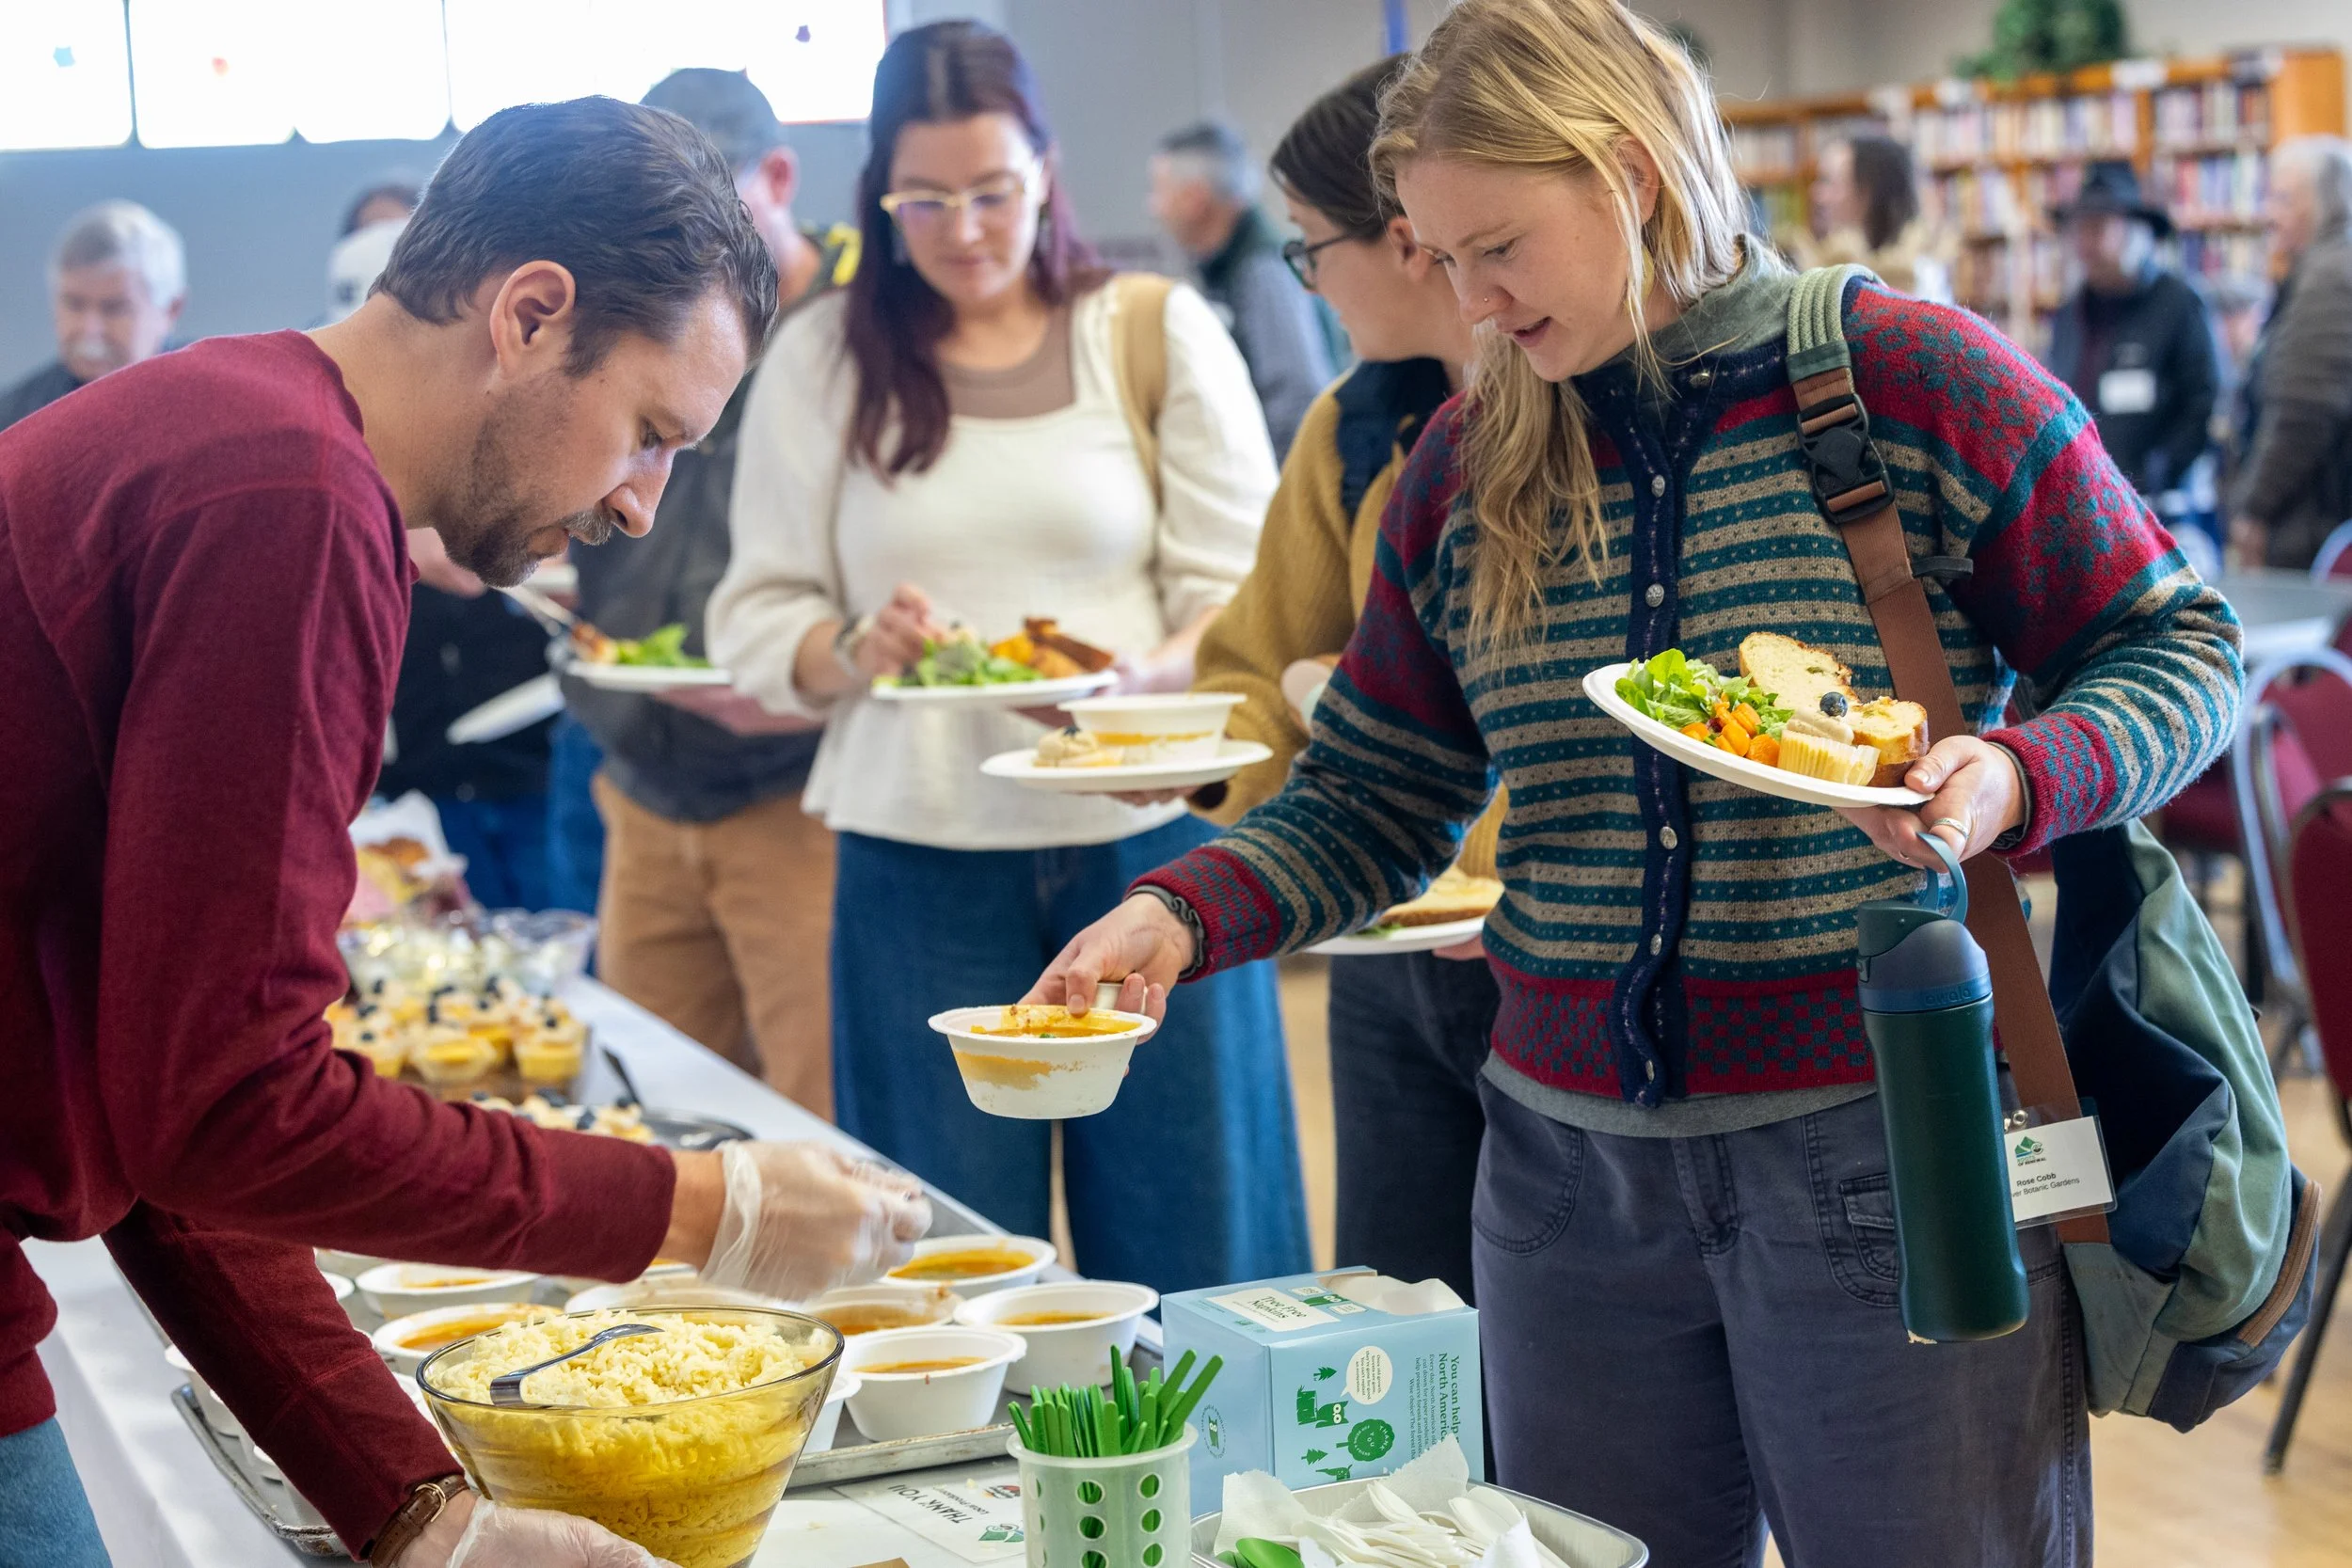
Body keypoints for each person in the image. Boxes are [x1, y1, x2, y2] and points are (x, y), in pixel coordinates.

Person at [1027, 2, 2242, 1562]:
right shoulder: (1459, 473)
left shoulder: (1905, 378)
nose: (1468, 298)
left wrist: (2014, 773)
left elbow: (2176, 646)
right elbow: (1375, 792)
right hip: (1560, 1180)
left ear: (1629, 174)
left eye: (1499, 247)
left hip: (1888, 1144)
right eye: (1434, 256)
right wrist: (1179, 917)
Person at [0, 98, 930, 1568]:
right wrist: (700, 1205)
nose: (640, 503)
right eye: (646, 431)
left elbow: (174, 1109)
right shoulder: (291, 498)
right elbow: (234, 1107)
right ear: (530, 313)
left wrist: (417, 1507)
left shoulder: (245, 429)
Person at [709, 20, 1308, 1293]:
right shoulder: (822, 357)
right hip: (918, 860)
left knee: (1205, 1242)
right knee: (946, 1262)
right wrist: (851, 646)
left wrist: (1137, 678)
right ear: (878, 193)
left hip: (1152, 841)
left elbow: (1251, 591)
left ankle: (1233, 1486)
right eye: (924, 198)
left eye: (992, 190)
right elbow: (755, 616)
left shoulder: (1151, 328)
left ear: (1045, 169)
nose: (965, 228)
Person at [1184, 56, 1491, 1302]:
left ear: (1410, 236)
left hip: (1555, 957)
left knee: (1581, 1373)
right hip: (1390, 951)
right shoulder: (1354, 426)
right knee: (1403, 1331)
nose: (1306, 280)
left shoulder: (1593, 425)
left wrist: (1337, 692)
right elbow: (1262, 665)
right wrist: (1208, 757)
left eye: (1314, 246)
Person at [563, 68, 861, 1105]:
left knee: (828, 1126)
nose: (677, 257)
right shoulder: (622, 296)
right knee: (661, 1123)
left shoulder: (867, 325)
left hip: (802, 794)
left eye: (709, 214)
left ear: (777, 176)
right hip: (642, 786)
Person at [1150, 119, 1337, 456]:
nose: (1154, 207)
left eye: (1160, 190)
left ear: (1195, 198)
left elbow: (1296, 404)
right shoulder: (1228, 266)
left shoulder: (1263, 272)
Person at [2044, 161, 2220, 500]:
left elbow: (2203, 402)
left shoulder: (2178, 304)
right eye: (2078, 230)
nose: (2084, 244)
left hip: (2156, 507)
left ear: (2136, 231)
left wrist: (2159, 472)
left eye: (2097, 228)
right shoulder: (2069, 315)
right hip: (2081, 502)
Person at [2229, 134, 2352, 570]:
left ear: (2326, 202)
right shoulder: (2320, 270)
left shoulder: (2330, 278)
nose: (2269, 213)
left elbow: (2305, 409)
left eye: (2283, 198)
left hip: (2314, 528)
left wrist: (2254, 508)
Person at [0, 200, 185, 430]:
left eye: (114, 308)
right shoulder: (14, 421)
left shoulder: (212, 403)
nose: (90, 330)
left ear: (171, 310)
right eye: (74, 305)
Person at [1799, 134, 1952, 303]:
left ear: (1867, 190)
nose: (1817, 194)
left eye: (1830, 182)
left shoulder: (1918, 273)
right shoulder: (1836, 257)